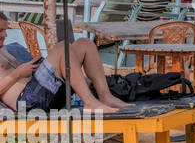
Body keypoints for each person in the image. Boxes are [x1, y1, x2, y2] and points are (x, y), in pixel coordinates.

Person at [0, 37, 128, 114]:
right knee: (62, 48)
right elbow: (16, 76)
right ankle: (90, 102)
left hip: (42, 93)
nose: (4, 35)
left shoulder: (3, 49)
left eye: (5, 30)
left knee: (85, 43)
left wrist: (34, 68)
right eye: (1, 30)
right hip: (28, 103)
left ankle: (105, 96)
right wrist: (18, 73)